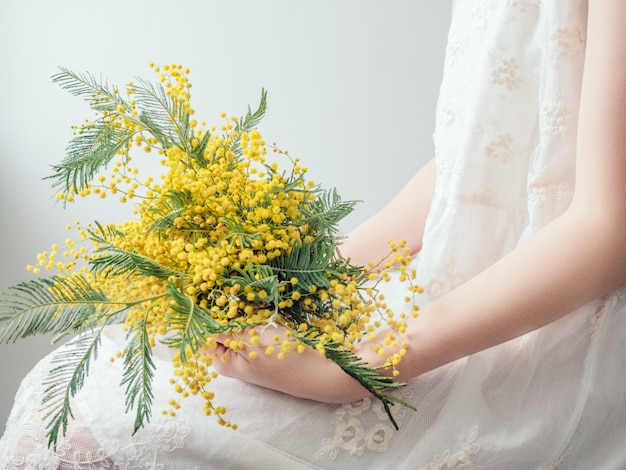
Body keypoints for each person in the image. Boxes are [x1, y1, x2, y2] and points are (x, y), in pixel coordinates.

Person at [2, 0, 626, 468]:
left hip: (545, 345)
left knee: (91, 424)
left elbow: (608, 228)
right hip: (445, 302)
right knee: (77, 381)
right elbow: (484, 156)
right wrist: (306, 285)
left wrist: (361, 361)